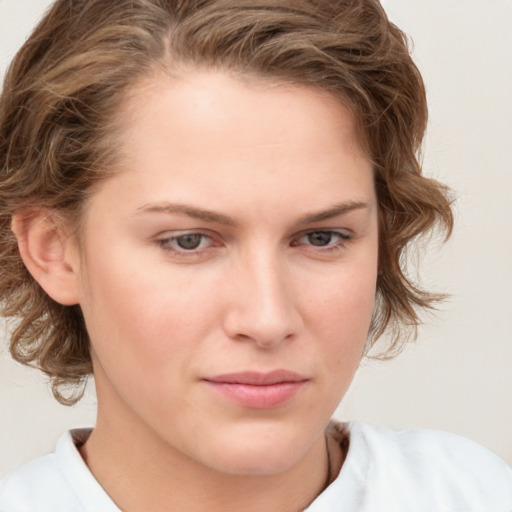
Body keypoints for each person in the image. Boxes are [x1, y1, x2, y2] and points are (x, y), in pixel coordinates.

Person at [0, 0, 510, 510]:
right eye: (189, 241)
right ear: (54, 250)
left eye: (321, 237)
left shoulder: (473, 494)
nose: (268, 320)